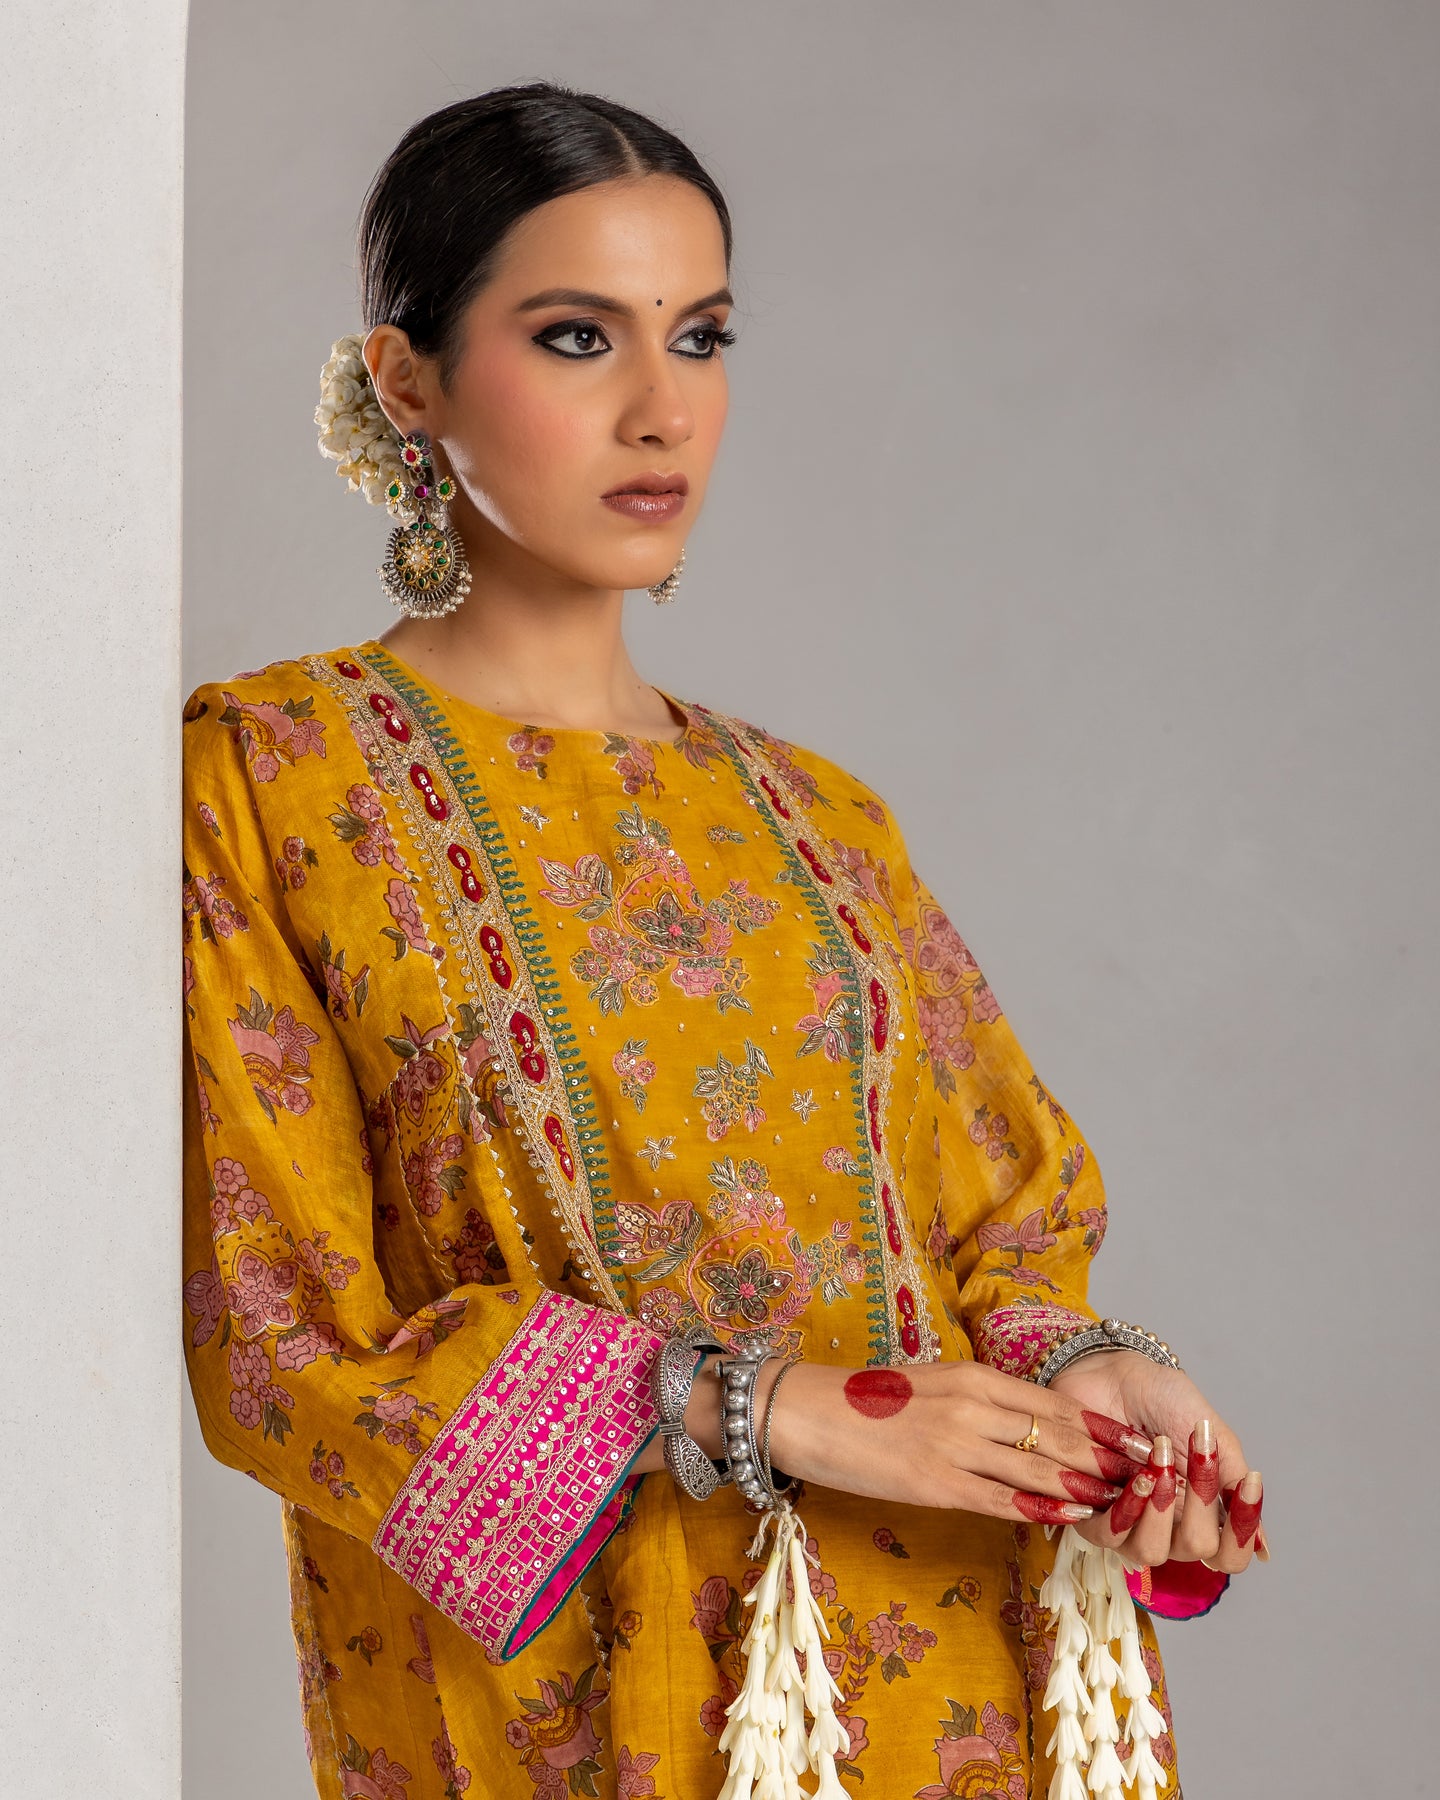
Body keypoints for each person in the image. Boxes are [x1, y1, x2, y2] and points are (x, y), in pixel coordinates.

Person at [181, 82, 1263, 1800]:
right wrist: (750, 1406)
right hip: (582, 1702)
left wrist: (1093, 1373)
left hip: (956, 1672)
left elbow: (992, 1234)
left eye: (699, 336)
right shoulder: (270, 778)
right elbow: (281, 1341)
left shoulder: (818, 815)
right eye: (575, 336)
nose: (660, 407)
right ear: (407, 382)